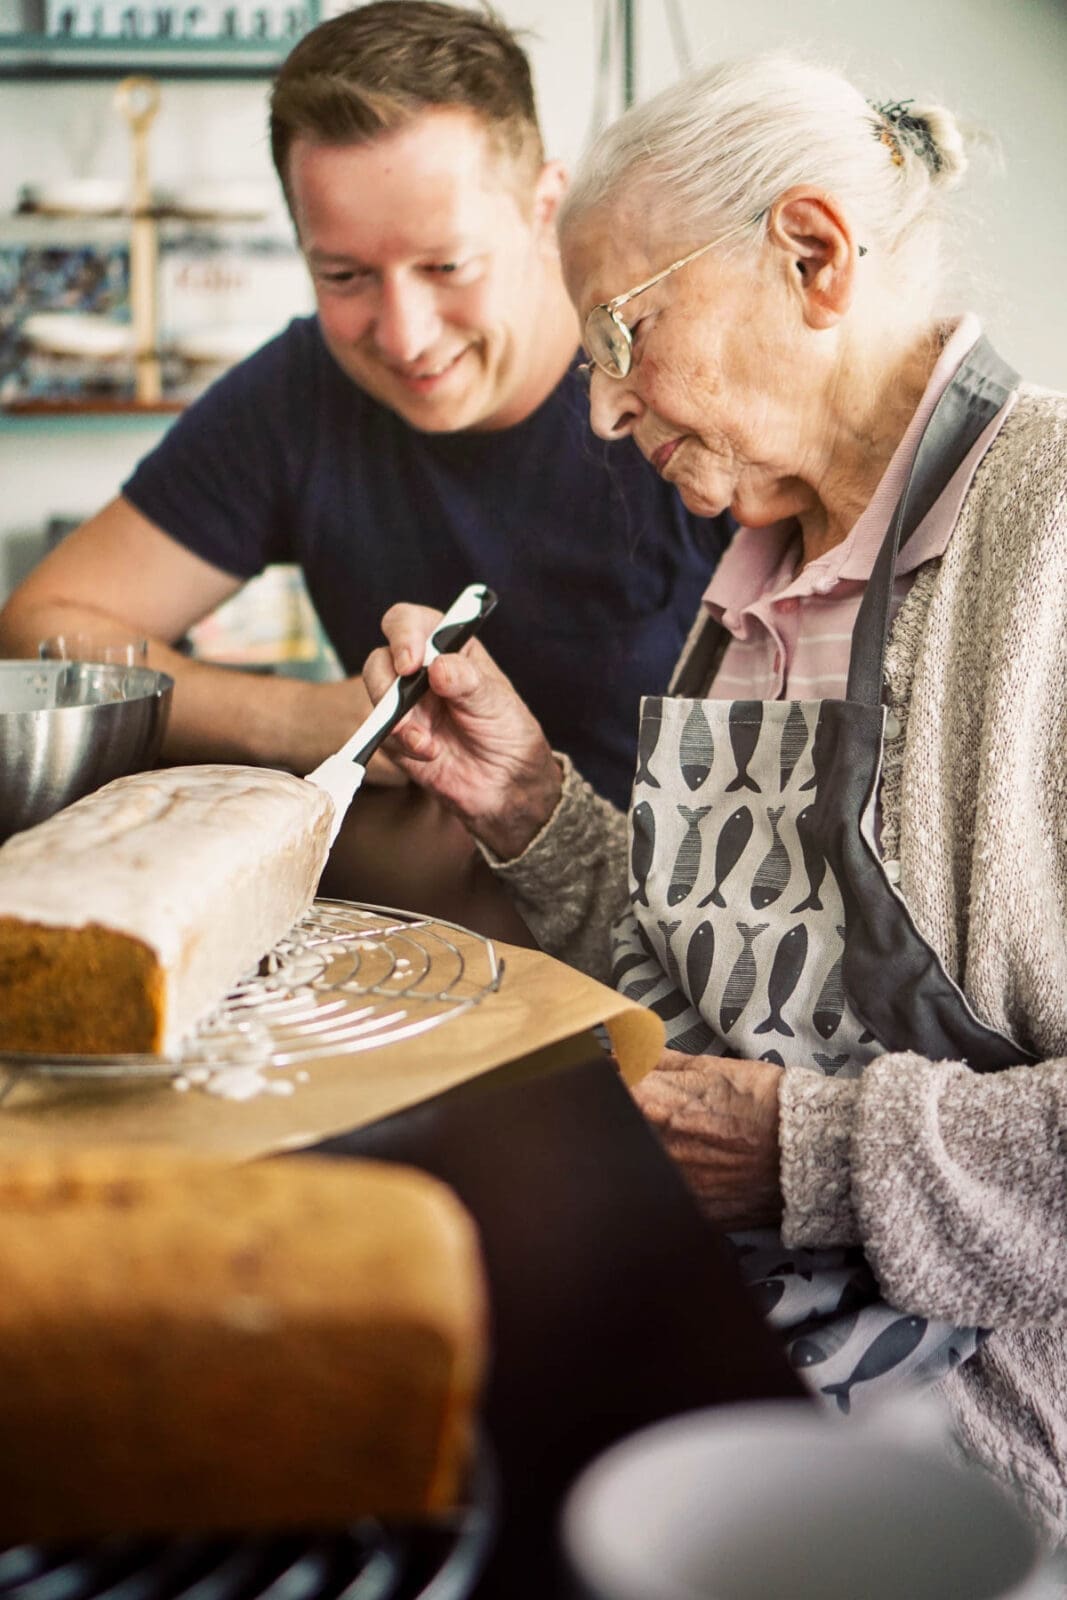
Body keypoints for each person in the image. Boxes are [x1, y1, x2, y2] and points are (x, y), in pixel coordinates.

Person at [360, 55, 1067, 1539]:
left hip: (978, 1460)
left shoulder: (1046, 548)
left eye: (622, 335)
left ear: (809, 255)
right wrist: (533, 801)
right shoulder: (754, 573)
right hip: (730, 1324)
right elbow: (727, 978)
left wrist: (815, 1156)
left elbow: (791, 1095)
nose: (605, 416)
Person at [0, 1, 728, 910]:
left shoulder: (685, 391)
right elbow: (48, 623)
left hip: (667, 951)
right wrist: (302, 718)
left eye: (446, 266)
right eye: (342, 275)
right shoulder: (301, 390)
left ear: (547, 208)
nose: (403, 335)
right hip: (416, 942)